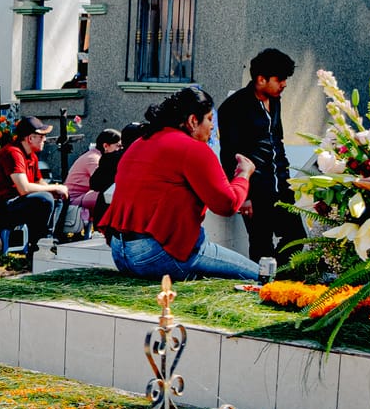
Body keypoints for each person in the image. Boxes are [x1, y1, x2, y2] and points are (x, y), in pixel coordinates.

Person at [97, 86, 259, 280]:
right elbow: (227, 204)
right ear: (192, 121)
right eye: (209, 119)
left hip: (120, 252)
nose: (212, 127)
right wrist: (243, 174)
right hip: (158, 254)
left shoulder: (140, 143)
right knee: (260, 275)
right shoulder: (193, 148)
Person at [217, 48, 303, 263]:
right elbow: (228, 153)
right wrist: (243, 198)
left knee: (297, 238)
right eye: (280, 79)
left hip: (280, 187)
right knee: (261, 244)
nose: (284, 84)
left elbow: (277, 142)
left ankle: (283, 281)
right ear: (261, 79)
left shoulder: (275, 101)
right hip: (254, 190)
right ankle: (264, 288)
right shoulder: (234, 106)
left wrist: (285, 178)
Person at [0, 117, 66, 250]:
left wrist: (56, 191)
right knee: (44, 199)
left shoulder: (31, 155)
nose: (45, 140)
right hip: (5, 208)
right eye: (41, 137)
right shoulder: (13, 153)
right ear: (30, 138)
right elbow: (24, 188)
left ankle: (49, 240)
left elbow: (39, 181)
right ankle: (37, 246)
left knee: (58, 198)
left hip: (20, 202)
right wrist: (56, 187)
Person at [64, 128, 122, 229]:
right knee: (109, 197)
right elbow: (102, 182)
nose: (120, 149)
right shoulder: (94, 159)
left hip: (82, 196)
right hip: (74, 199)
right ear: (106, 146)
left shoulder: (93, 155)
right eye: (118, 146)